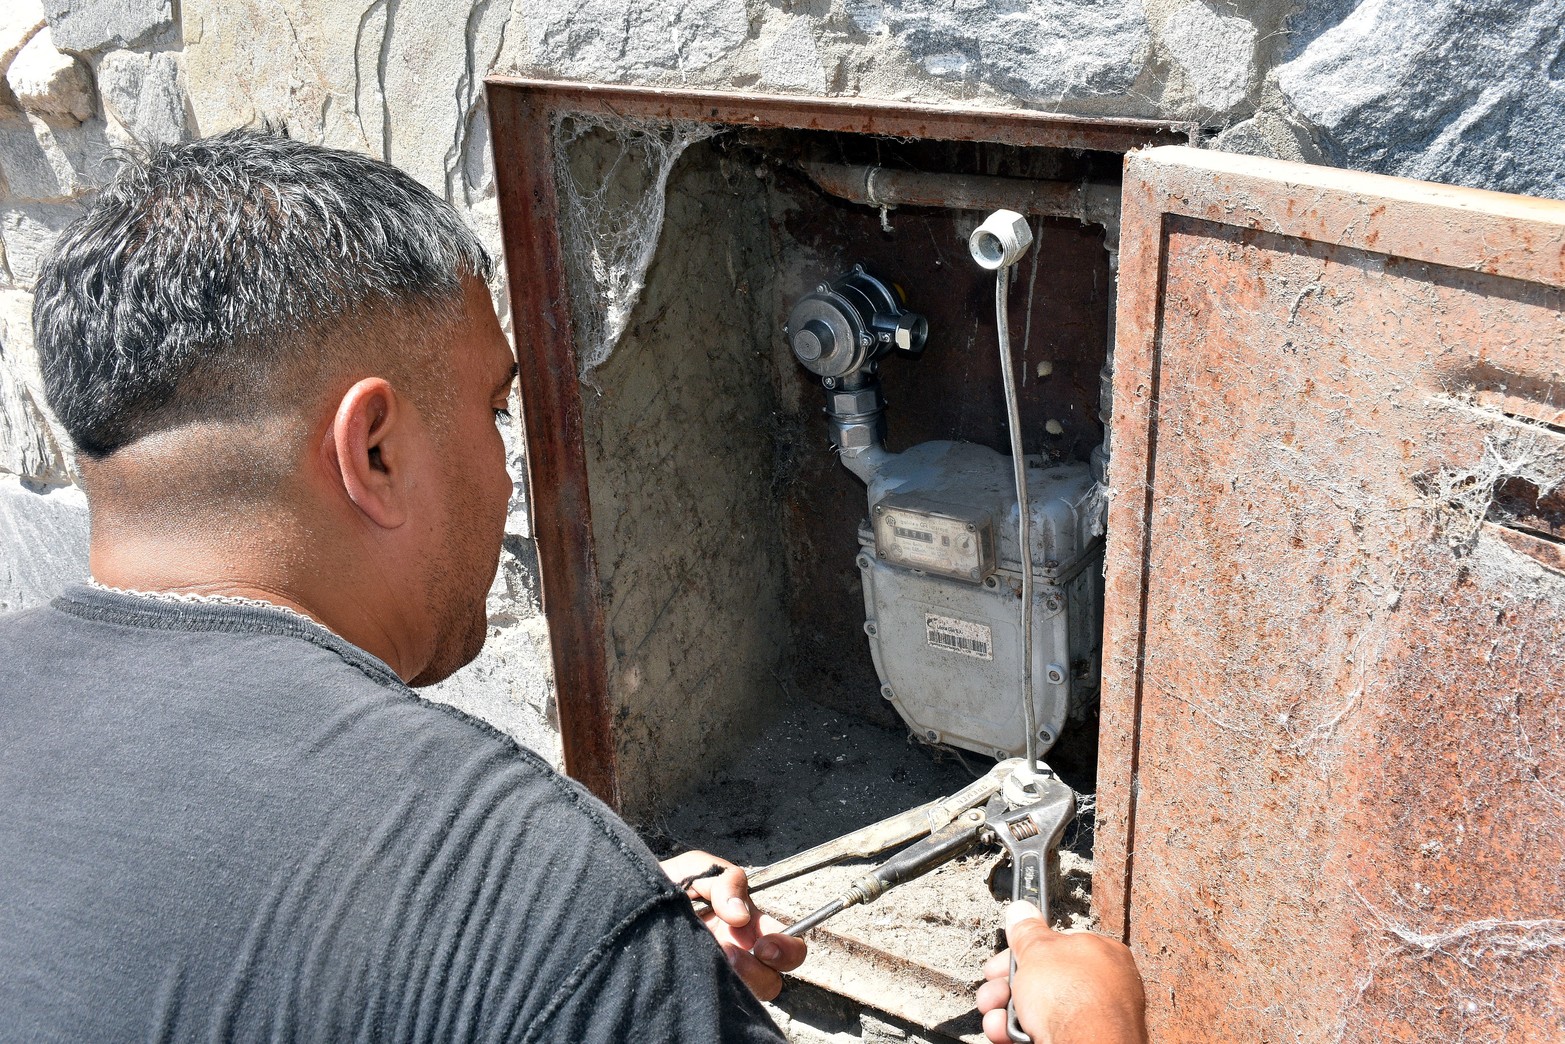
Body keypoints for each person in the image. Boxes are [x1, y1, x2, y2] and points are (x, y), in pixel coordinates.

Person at [0, 130, 1145, 1041]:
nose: (511, 461)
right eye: (495, 409)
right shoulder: (507, 883)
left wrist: (623, 967)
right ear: (376, 451)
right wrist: (1097, 1026)